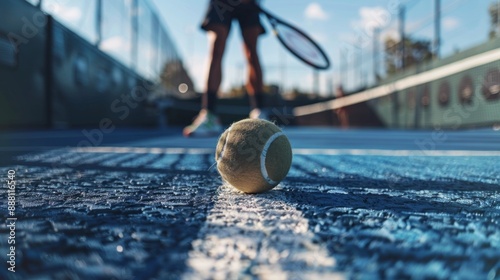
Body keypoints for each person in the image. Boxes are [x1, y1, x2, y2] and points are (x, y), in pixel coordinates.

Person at [183, 0, 266, 137]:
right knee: (216, 48)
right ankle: (209, 115)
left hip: (248, 4)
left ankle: (259, 112)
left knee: (252, 52)